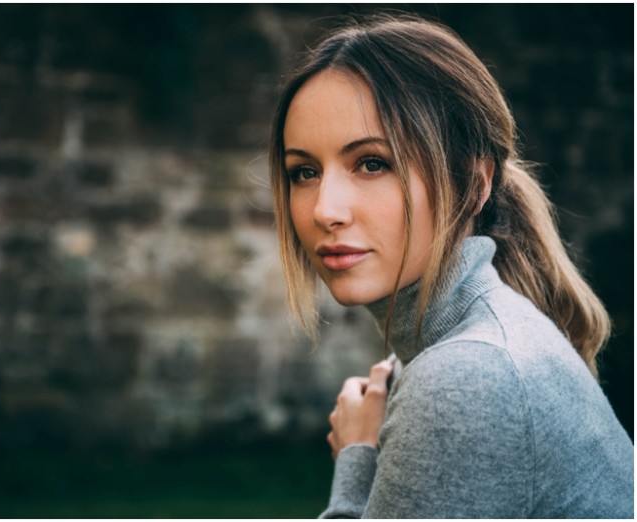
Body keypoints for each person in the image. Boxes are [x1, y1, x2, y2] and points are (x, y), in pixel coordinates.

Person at [268, 14, 633, 518]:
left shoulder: (468, 375)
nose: (323, 210)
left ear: (474, 183)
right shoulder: (469, 347)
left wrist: (356, 463)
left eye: (373, 163)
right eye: (303, 172)